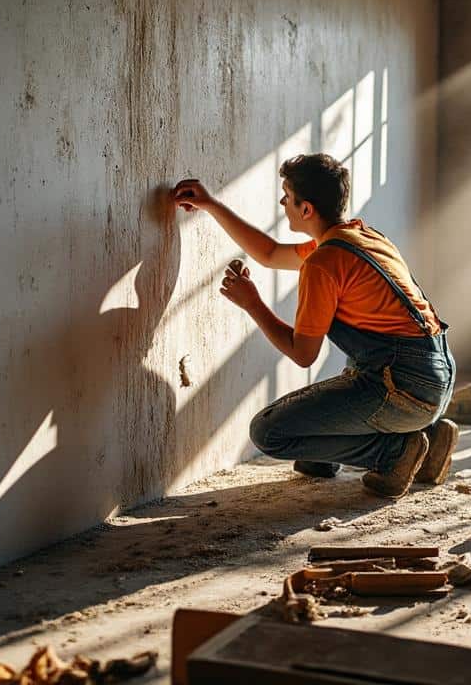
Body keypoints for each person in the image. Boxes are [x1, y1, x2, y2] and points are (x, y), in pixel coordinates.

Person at [171, 153, 456, 499]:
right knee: (315, 438)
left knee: (269, 432)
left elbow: (302, 354)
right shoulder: (359, 237)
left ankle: (393, 453)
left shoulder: (323, 263)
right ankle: (431, 434)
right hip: (433, 378)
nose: (282, 202)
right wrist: (211, 205)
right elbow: (271, 253)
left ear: (306, 209)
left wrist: (253, 304)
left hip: (403, 389)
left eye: (287, 196)